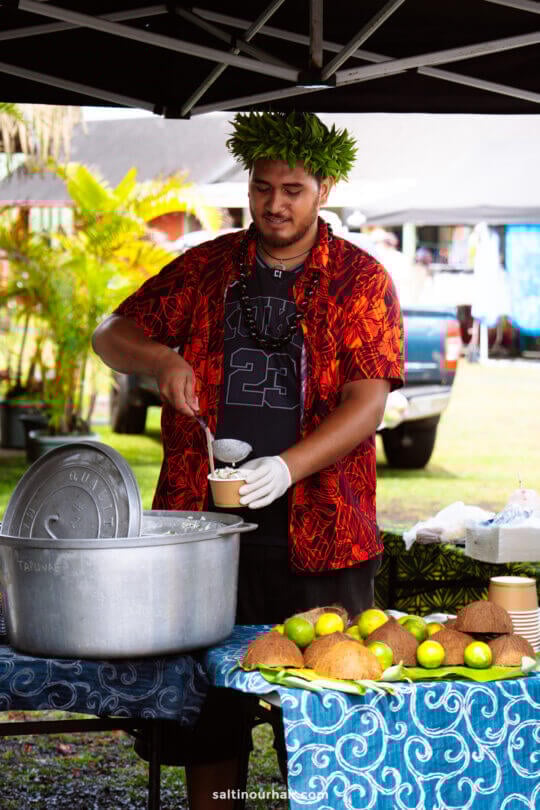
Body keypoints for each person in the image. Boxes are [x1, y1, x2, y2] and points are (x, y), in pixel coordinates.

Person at [92, 111, 403, 809]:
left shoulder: (360, 280)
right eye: (262, 188)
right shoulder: (205, 266)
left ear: (324, 186)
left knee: (324, 720)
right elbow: (109, 332)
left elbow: (368, 402)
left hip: (324, 538)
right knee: (209, 717)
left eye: (292, 189)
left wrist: (288, 467)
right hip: (204, 539)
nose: (275, 205)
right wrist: (161, 357)